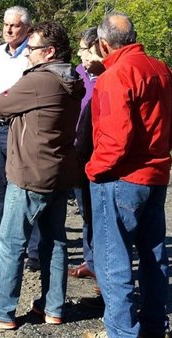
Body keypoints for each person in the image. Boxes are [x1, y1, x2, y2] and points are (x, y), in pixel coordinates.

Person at [0, 21, 84, 330]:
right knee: (54, 241)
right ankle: (53, 307)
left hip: (30, 173)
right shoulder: (71, 79)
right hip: (59, 172)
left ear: (49, 52)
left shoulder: (39, 82)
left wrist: (16, 100)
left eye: (31, 49)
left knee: (10, 242)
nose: (27, 54)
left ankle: (0, 310)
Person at [82, 14, 172, 338]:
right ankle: (153, 327)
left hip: (120, 179)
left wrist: (93, 170)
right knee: (154, 256)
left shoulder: (114, 76)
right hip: (155, 176)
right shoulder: (162, 70)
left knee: (114, 262)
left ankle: (123, 333)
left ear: (103, 44)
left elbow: (116, 140)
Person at [0, 6, 42, 269]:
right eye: (5, 24)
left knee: (27, 188)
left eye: (14, 25)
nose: (9, 30)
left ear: (27, 28)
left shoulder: (31, 55)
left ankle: (34, 251)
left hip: (19, 129)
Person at [68, 27, 105, 281]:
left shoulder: (110, 76)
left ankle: (102, 266)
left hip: (101, 153)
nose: (80, 54)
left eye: (84, 49)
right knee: (86, 211)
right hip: (78, 152)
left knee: (100, 211)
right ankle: (90, 260)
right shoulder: (77, 74)